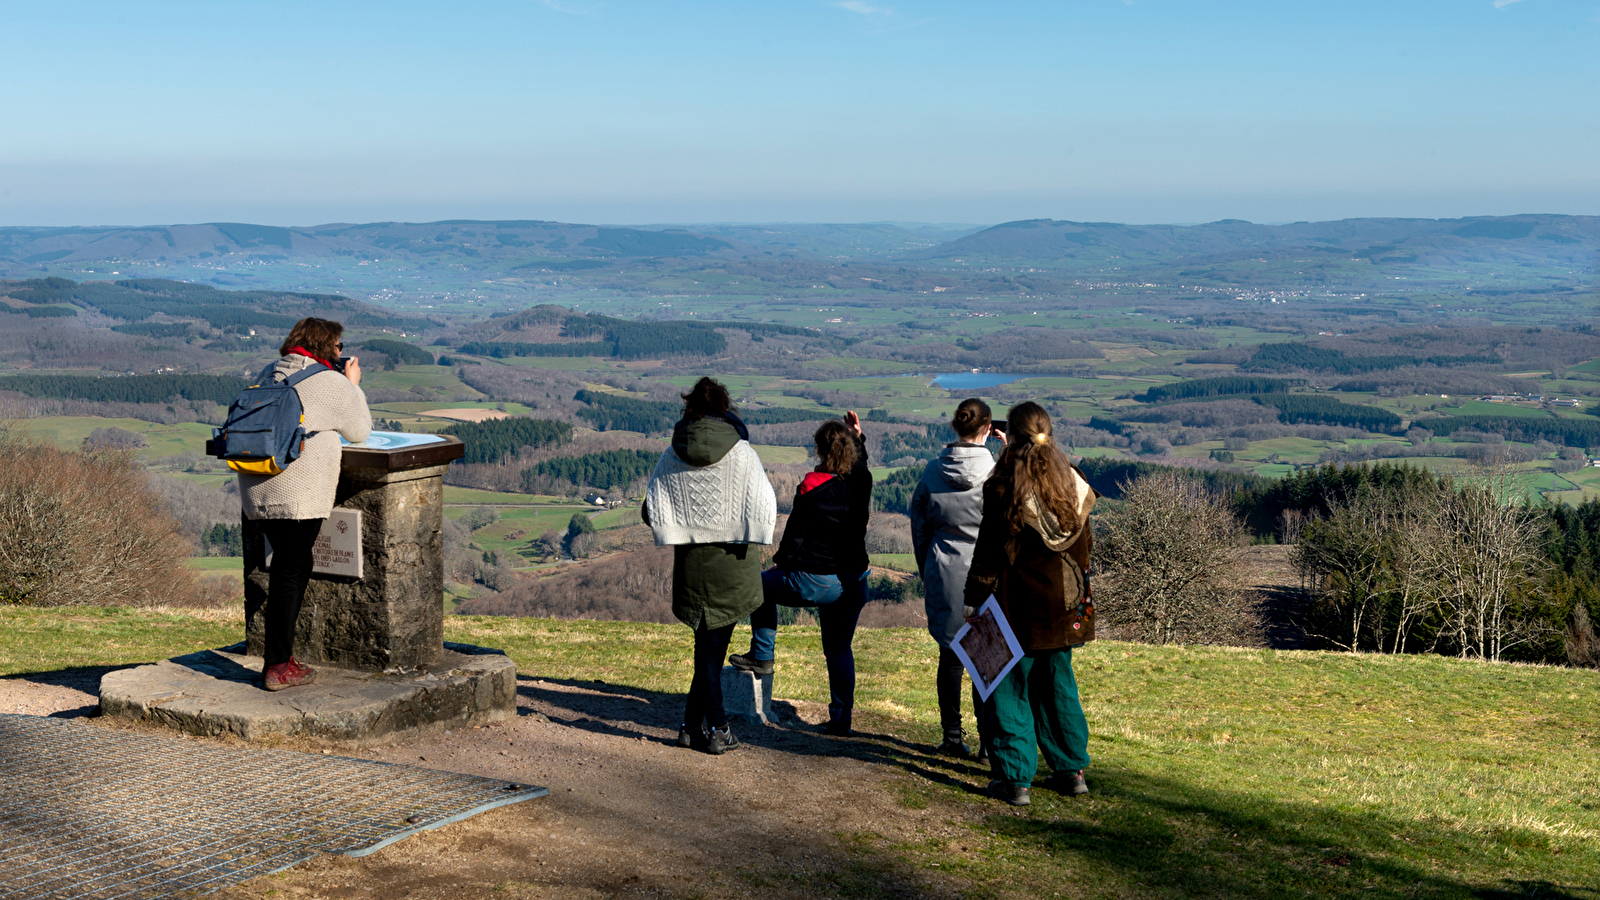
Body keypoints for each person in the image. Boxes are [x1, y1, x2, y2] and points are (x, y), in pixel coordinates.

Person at [963, 401, 1099, 806]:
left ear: (1014, 437)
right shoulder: (1073, 482)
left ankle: (1015, 779)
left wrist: (973, 600)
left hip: (1015, 606)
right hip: (1063, 607)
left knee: (1009, 689)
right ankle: (1071, 770)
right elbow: (1085, 550)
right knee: (1058, 687)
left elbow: (989, 553)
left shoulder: (1004, 486)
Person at [643, 377, 777, 755]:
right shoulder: (742, 454)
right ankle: (718, 727)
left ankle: (690, 725)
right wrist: (743, 526)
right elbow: (765, 505)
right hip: (733, 563)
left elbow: (649, 509)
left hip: (692, 564)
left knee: (709, 646)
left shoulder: (672, 454)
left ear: (689, 409)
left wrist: (682, 521)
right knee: (710, 647)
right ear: (724, 408)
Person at [239, 317, 371, 691]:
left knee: (294, 563)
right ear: (327, 346)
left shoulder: (269, 373)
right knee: (289, 570)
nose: (341, 351)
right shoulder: (329, 382)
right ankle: (278, 666)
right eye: (339, 346)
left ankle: (282, 659)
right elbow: (359, 431)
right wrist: (352, 386)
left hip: (257, 486)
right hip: (298, 494)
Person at [730, 412, 872, 736]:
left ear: (821, 451)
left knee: (758, 586)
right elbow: (860, 466)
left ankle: (762, 656)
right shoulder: (860, 482)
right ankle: (841, 719)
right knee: (838, 649)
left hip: (816, 581)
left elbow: (795, 535)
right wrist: (857, 438)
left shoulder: (812, 486)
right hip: (853, 581)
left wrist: (781, 562)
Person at [909, 398, 1003, 759]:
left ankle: (951, 736)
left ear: (956, 426)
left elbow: (920, 528)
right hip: (987, 575)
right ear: (988, 430)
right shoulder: (996, 473)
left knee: (949, 658)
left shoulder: (933, 471)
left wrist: (928, 570)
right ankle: (986, 743)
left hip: (944, 569)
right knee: (986, 662)